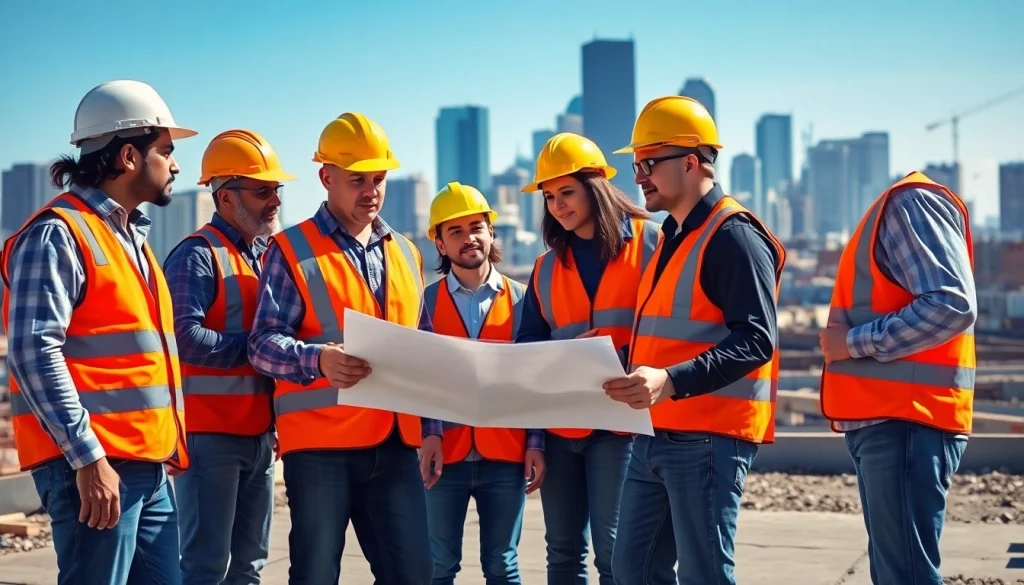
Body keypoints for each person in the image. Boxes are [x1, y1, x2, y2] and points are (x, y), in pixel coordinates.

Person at [0, 79, 194, 585]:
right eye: (167, 151)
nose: (175, 165)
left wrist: (165, 447)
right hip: (93, 467)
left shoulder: (132, 238)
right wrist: (88, 459)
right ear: (129, 156)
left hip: (146, 468)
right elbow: (33, 350)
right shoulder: (57, 234)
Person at [602, 95, 786, 585]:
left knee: (704, 573)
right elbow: (668, 335)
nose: (638, 175)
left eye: (647, 163)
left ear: (689, 162)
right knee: (632, 570)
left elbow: (755, 339)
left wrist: (669, 380)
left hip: (707, 439)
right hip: (655, 433)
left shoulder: (733, 236)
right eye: (636, 164)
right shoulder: (673, 235)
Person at [247, 112, 432, 585]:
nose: (371, 190)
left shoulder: (407, 253)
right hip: (321, 446)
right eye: (357, 180)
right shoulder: (290, 250)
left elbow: (425, 351)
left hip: (395, 444)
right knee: (315, 573)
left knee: (413, 573)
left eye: (378, 178)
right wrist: (320, 359)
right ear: (326, 177)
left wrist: (432, 428)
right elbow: (262, 345)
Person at [516, 132, 661, 585]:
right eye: (550, 196)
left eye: (567, 192)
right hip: (562, 426)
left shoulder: (650, 243)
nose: (558, 205)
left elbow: (667, 329)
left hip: (621, 424)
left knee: (615, 553)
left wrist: (614, 353)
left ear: (595, 187)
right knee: (561, 553)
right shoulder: (544, 268)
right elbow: (527, 349)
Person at [817, 171, 977, 585]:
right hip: (894, 421)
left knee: (904, 575)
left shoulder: (908, 203)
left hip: (906, 420)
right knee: (897, 572)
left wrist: (852, 343)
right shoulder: (891, 209)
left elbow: (952, 304)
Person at [163, 129, 294, 584]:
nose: (274, 200)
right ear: (225, 198)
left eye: (276, 189)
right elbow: (183, 336)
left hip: (257, 435)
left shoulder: (266, 258)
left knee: (250, 564)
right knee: (205, 564)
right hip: (209, 437)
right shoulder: (196, 257)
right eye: (262, 191)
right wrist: (258, 349)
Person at [417, 181, 541, 585]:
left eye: (476, 227)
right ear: (439, 243)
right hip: (442, 458)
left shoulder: (525, 300)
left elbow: (535, 380)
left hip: (505, 455)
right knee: (438, 567)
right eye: (455, 231)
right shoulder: (423, 305)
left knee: (502, 566)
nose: (468, 238)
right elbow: (419, 379)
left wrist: (536, 444)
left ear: (492, 232)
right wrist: (429, 435)